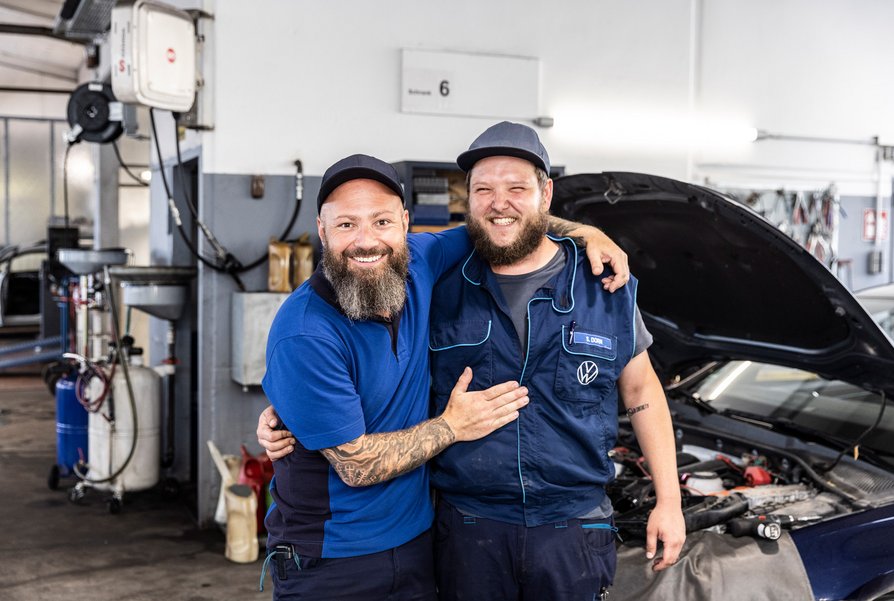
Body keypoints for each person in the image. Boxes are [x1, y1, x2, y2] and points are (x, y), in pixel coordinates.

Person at [257, 152, 629, 600]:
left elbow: (502, 221)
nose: (365, 241)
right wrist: (452, 426)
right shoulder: (304, 332)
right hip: (332, 560)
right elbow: (354, 465)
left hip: (418, 544)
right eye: (346, 225)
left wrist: (589, 232)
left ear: (405, 225)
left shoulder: (422, 261)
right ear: (322, 230)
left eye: (381, 222)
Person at [426, 121, 686, 600]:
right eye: (483, 189)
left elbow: (642, 390)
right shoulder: (440, 286)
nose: (498, 202)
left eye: (516, 188)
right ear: (469, 198)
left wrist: (669, 501)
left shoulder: (603, 283)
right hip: (467, 532)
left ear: (546, 194)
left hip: (572, 531)